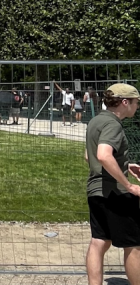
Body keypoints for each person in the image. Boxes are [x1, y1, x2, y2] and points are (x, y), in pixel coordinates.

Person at [84, 84, 140, 285]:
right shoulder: (113, 124)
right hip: (115, 193)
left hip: (95, 191)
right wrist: (129, 184)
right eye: (136, 102)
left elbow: (88, 156)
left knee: (99, 242)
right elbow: (103, 155)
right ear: (125, 102)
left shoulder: (95, 121)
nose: (137, 106)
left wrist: (124, 164)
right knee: (134, 245)